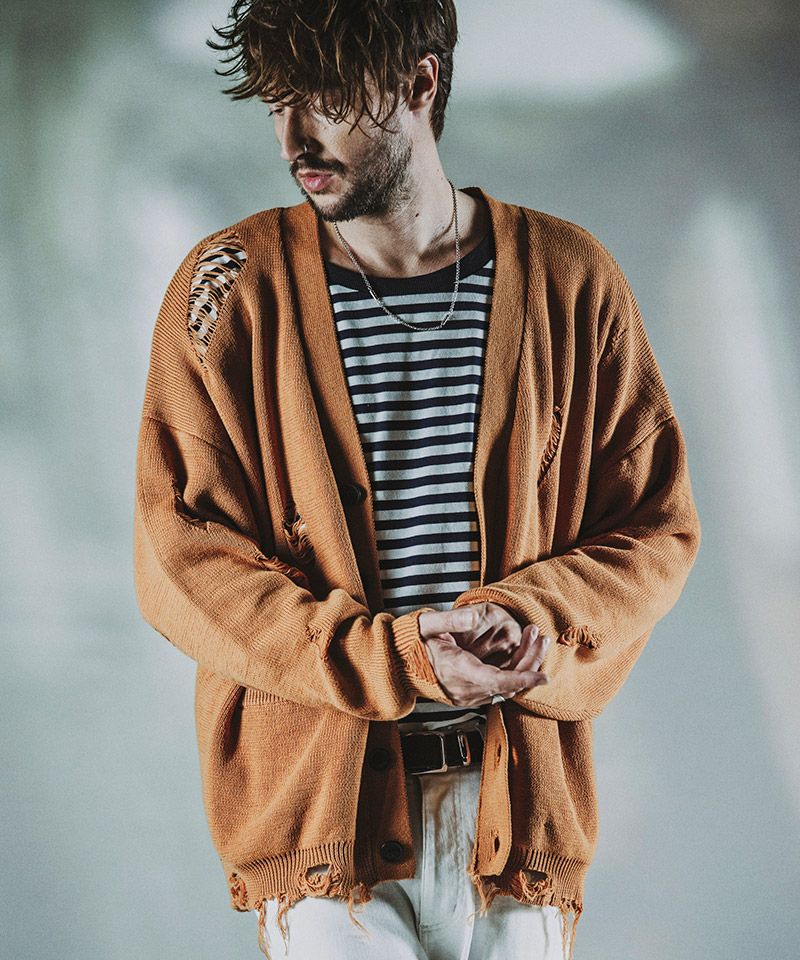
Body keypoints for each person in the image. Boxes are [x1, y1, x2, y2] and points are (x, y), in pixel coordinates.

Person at [132, 2, 702, 959]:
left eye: (324, 100)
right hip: (327, 827)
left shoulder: (569, 279)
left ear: (420, 82)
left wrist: (532, 616)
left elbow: (655, 528)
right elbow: (180, 556)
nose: (294, 139)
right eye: (277, 103)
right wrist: (397, 658)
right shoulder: (229, 288)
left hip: (518, 819)